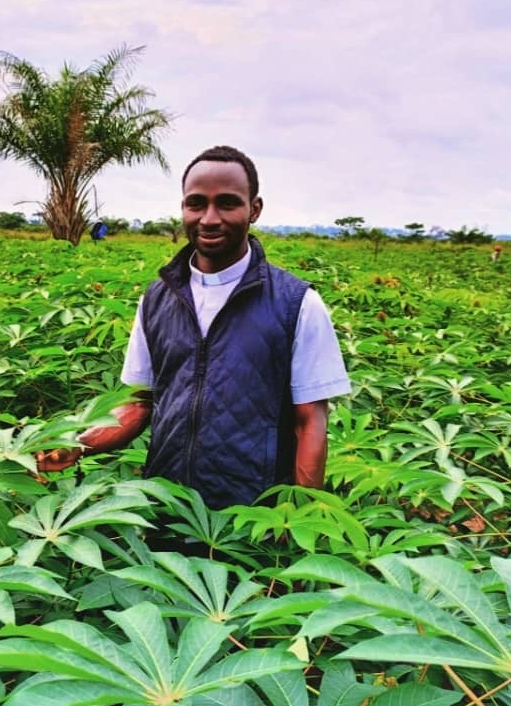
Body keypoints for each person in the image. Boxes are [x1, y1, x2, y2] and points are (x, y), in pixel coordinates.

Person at [36, 145, 350, 507]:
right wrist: (77, 443)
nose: (209, 218)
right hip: (165, 509)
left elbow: (310, 422)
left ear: (255, 209)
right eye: (197, 203)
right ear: (183, 207)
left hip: (253, 518)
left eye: (227, 203)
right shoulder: (156, 299)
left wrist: (298, 517)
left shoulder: (297, 304)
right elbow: (140, 405)